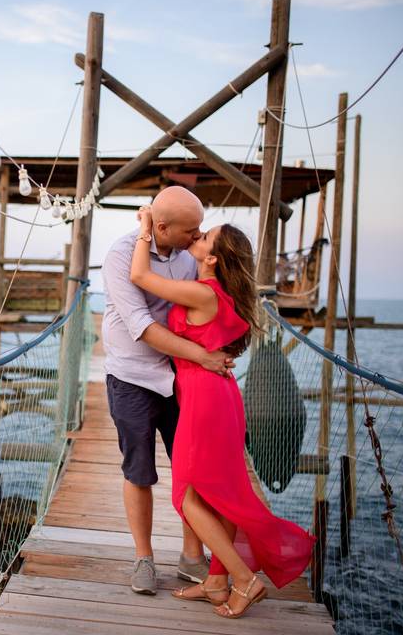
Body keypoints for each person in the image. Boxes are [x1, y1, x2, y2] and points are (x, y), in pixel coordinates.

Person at [129, 207, 316, 619]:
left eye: (203, 238)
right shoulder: (219, 294)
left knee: (186, 496)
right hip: (220, 396)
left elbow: (140, 277)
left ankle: (245, 579)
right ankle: (216, 582)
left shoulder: (204, 293)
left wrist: (145, 229)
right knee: (220, 495)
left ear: (212, 258)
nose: (196, 237)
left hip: (204, 400)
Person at [101, 186, 235, 595]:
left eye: (200, 232)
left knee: (192, 470)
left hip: (182, 377)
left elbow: (210, 302)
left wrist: (213, 351)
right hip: (132, 376)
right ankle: (144, 556)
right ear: (161, 226)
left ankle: (192, 556)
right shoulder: (122, 254)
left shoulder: (189, 258)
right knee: (139, 470)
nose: (198, 237)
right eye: (191, 231)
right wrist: (204, 354)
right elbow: (140, 326)